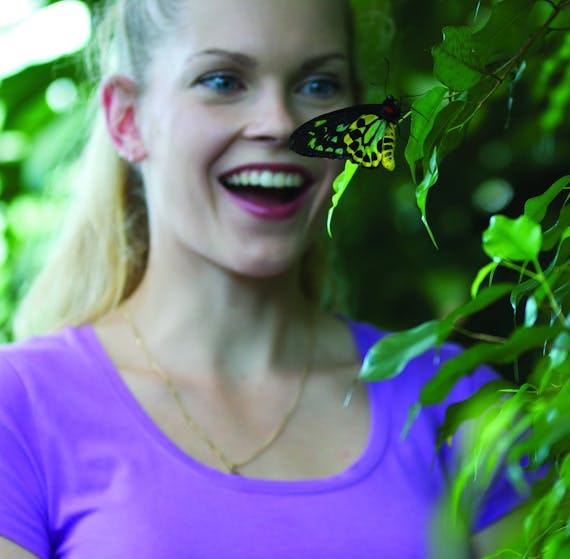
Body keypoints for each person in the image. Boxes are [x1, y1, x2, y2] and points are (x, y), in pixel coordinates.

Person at [0, 0, 529, 557]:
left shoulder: (452, 399)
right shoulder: (19, 410)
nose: (281, 122)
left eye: (319, 85)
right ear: (127, 119)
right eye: (223, 80)